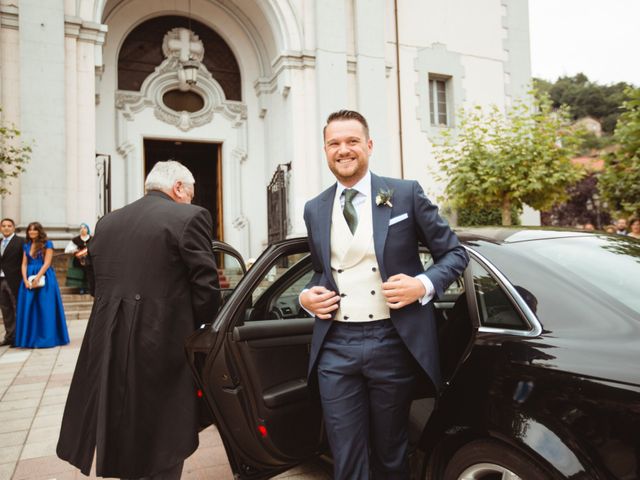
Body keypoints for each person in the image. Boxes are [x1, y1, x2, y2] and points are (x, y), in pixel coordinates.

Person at [300, 110, 469, 479]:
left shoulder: (405, 194)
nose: (343, 150)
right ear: (326, 150)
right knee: (346, 454)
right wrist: (305, 298)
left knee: (392, 452)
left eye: (352, 141)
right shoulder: (314, 208)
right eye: (334, 143)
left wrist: (421, 285)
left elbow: (455, 254)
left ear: (369, 145)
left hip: (392, 341)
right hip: (336, 346)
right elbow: (320, 270)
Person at [57, 160, 221, 480]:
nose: (191, 199)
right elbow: (206, 289)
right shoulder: (190, 216)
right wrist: (202, 330)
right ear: (177, 188)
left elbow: (95, 282)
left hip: (107, 338)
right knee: (165, 429)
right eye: (190, 192)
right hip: (163, 339)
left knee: (121, 416)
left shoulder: (107, 222)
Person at [14, 222, 69, 348]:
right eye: (30, 230)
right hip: (29, 277)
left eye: (35, 230)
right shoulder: (26, 245)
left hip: (45, 277)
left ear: (39, 231)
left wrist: (37, 278)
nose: (32, 232)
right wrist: (26, 280)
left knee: (45, 308)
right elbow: (24, 264)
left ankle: (47, 339)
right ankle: (29, 340)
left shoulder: (47, 244)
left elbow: (47, 263)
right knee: (29, 308)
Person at [0, 218, 25, 346]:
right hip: (1, 281)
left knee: (17, 308)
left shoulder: (20, 242)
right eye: (3, 226)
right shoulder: (0, 242)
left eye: (9, 226)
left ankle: (18, 338)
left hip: (15, 280)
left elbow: (25, 262)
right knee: (5, 309)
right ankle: (9, 336)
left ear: (13, 228)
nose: (6, 228)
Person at [64, 223, 92, 294]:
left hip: (90, 260)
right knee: (80, 273)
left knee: (89, 273)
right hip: (79, 260)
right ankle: (81, 288)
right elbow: (67, 250)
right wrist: (75, 250)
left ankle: (89, 287)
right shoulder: (76, 240)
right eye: (81, 228)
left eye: (84, 228)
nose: (83, 230)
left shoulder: (92, 239)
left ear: (87, 230)